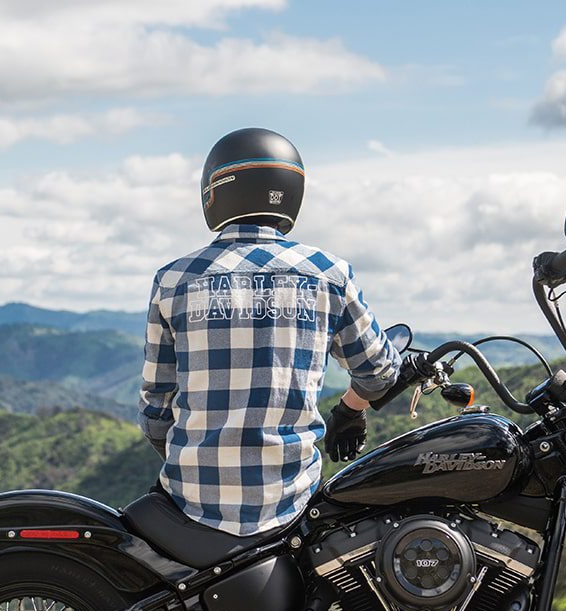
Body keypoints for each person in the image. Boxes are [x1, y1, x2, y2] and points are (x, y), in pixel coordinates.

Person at [137, 127, 423, 538]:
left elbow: (156, 409)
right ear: (291, 190)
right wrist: (349, 410)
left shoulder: (175, 280)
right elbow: (379, 373)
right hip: (294, 505)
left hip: (191, 504)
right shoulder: (329, 274)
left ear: (215, 189)